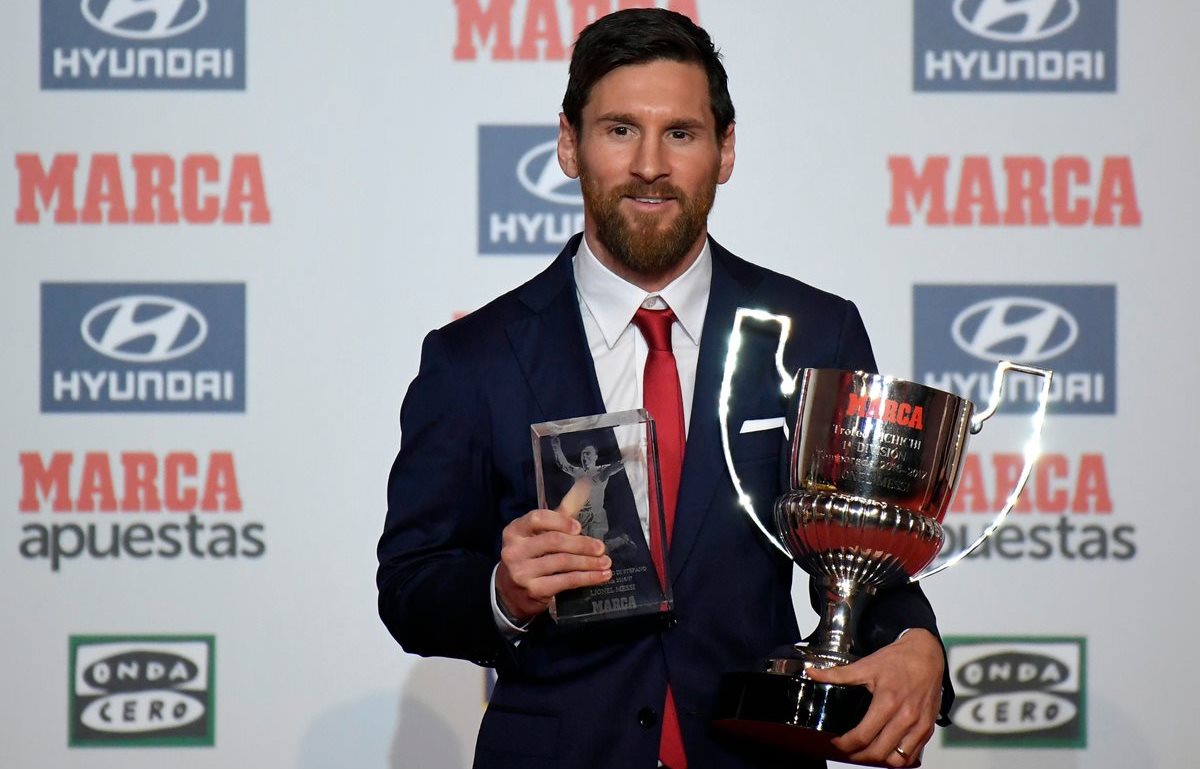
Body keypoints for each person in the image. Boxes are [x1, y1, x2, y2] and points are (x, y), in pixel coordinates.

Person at [378, 9, 951, 769]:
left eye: (680, 133)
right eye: (619, 130)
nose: (650, 163)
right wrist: (500, 590)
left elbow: (861, 548)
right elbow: (411, 585)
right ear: (568, 144)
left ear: (725, 150)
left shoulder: (817, 333)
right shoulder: (471, 357)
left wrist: (915, 641)